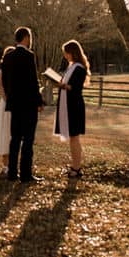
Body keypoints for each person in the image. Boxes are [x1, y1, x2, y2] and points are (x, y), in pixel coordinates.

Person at [1, 27, 45, 183]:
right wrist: (39, 101)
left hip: (14, 104)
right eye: (30, 37)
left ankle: (12, 173)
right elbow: (33, 82)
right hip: (28, 105)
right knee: (28, 140)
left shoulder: (8, 56)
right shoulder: (28, 55)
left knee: (15, 139)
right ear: (26, 37)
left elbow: (5, 81)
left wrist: (10, 96)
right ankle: (26, 174)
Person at [55, 39, 90, 178]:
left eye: (66, 53)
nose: (65, 56)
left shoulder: (79, 68)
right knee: (73, 138)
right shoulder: (72, 67)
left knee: (74, 137)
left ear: (72, 53)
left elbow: (75, 88)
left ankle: (76, 168)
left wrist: (62, 85)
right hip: (69, 105)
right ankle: (75, 166)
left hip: (74, 106)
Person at [0, 46, 15, 175]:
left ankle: (12, 163)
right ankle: (6, 165)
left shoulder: (13, 71)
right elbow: (2, 91)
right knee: (5, 132)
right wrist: (10, 103)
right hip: (7, 104)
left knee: (13, 134)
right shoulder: (2, 72)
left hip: (14, 104)